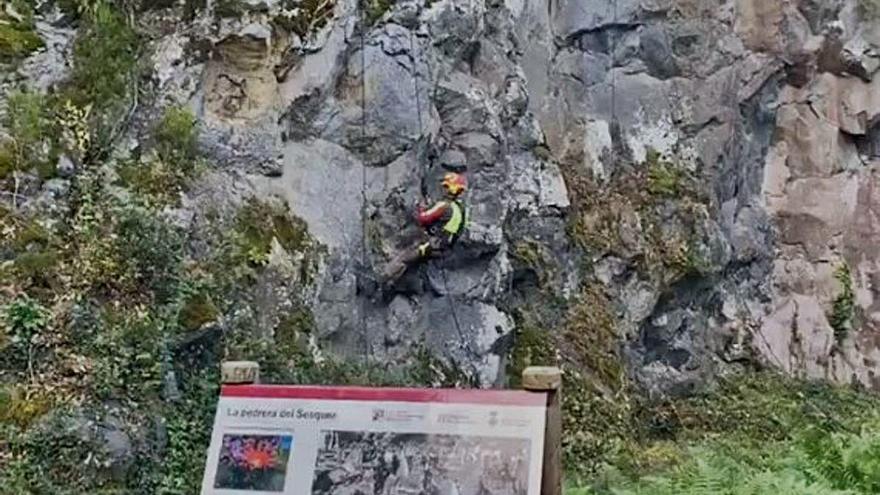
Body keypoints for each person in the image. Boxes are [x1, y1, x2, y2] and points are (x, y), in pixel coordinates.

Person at [379, 172, 468, 286]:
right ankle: (393, 282)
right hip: (445, 247)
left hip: (431, 245)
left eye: (446, 186)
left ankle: (382, 279)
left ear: (452, 189)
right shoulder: (460, 208)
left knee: (402, 258)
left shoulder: (444, 205)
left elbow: (423, 218)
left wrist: (420, 207)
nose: (443, 189)